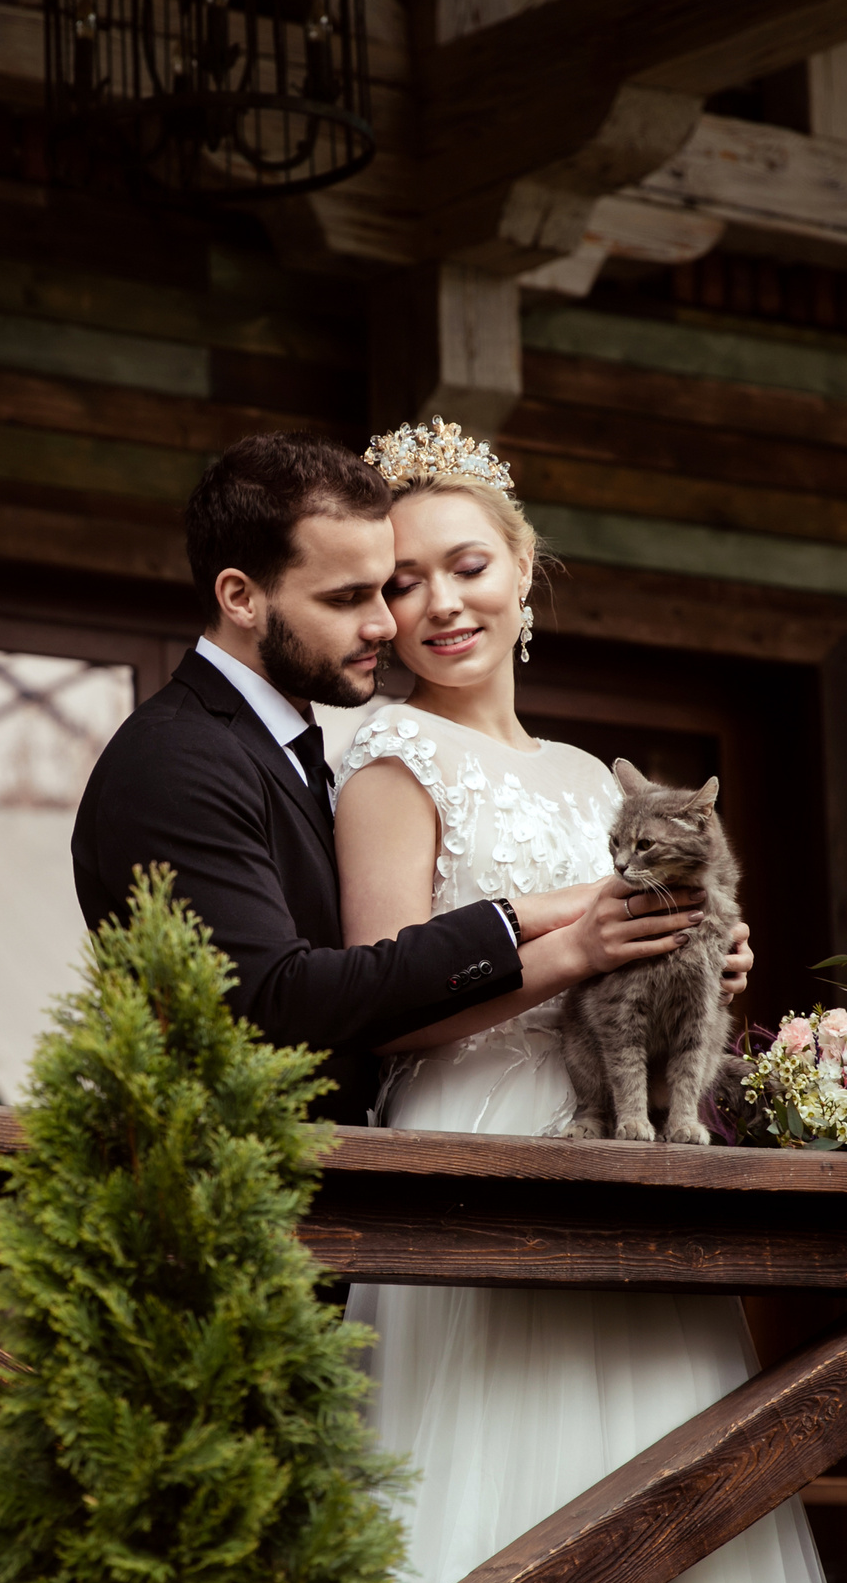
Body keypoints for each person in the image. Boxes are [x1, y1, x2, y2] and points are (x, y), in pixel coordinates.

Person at [337, 419, 841, 1583]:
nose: (440, 603)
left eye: (466, 565)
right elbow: (377, 999)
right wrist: (570, 951)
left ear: (523, 571)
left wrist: (705, 960)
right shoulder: (387, 759)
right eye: (402, 584)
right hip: (479, 1136)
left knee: (665, 1484)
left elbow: (648, 924)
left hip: (631, 1147)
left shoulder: (584, 774)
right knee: (503, 1495)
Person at [71, 432, 700, 1126]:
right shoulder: (176, 760)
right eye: (351, 596)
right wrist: (559, 924)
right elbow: (274, 1000)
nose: (384, 621)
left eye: (381, 590)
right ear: (241, 598)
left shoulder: (288, 750)